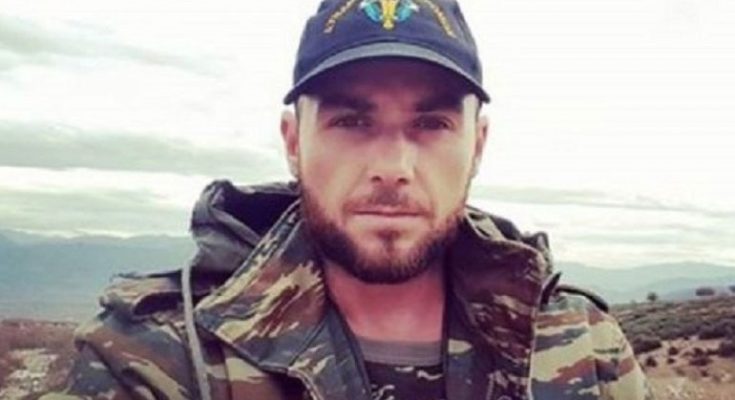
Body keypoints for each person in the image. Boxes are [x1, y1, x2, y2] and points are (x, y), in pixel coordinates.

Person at [42, 1, 652, 399]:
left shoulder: (581, 345)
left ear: (478, 145)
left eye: (432, 124)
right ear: (293, 142)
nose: (392, 168)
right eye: (352, 122)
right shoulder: (157, 355)